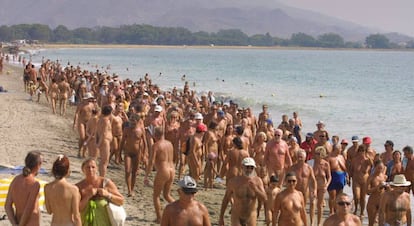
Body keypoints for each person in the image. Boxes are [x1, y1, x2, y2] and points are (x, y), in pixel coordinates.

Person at [76, 158, 124, 226]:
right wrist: (88, 196)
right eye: (87, 167)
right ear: (83, 169)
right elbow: (77, 209)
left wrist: (108, 195)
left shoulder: (105, 183)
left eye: (93, 167)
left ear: (97, 169)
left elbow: (121, 201)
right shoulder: (78, 187)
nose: (90, 169)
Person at [219, 157, 267, 226]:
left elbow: (265, 198)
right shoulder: (233, 182)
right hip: (237, 215)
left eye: (251, 168)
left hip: (251, 215)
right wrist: (221, 217)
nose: (249, 170)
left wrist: (256, 189)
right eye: (247, 167)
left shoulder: (258, 181)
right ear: (242, 167)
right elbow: (226, 199)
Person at [144, 127, 175, 223]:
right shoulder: (169, 143)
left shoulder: (156, 145)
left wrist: (146, 175)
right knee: (167, 195)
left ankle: (159, 218)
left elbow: (151, 161)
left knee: (156, 196)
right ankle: (181, 208)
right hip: (172, 169)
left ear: (154, 135)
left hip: (163, 170)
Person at [5, 151, 43, 226]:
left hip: (17, 221)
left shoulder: (15, 180)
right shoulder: (35, 184)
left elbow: (7, 206)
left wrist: (14, 223)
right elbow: (29, 209)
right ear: (38, 165)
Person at [44, 155, 81, 226]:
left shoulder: (47, 187)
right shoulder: (73, 190)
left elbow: (49, 211)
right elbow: (76, 216)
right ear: (67, 171)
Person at [121, 114, 147, 197]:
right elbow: (122, 141)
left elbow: (145, 143)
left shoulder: (140, 130)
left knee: (134, 172)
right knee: (127, 171)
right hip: (128, 152)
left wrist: (144, 154)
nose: (132, 123)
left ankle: (132, 189)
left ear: (138, 122)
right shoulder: (126, 129)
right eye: (131, 121)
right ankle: (129, 190)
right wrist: (119, 153)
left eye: (133, 122)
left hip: (137, 153)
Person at [349, 144, 373, 217]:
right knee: (356, 196)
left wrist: (368, 157)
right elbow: (351, 170)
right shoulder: (354, 159)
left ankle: (362, 212)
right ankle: (356, 208)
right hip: (356, 180)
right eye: (360, 151)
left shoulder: (367, 160)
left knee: (363, 197)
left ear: (365, 152)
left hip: (365, 181)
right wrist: (349, 178)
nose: (361, 153)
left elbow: (372, 165)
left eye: (363, 151)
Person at [312, 146, 332, 226]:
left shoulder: (326, 164)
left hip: (322, 186)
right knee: (312, 203)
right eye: (315, 153)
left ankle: (319, 223)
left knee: (320, 205)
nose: (316, 155)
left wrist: (326, 186)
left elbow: (329, 177)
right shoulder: (312, 163)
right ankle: (312, 222)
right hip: (313, 186)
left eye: (318, 154)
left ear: (322, 155)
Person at [326, 144, 347, 215]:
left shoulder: (341, 157)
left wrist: (347, 177)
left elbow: (345, 168)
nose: (341, 150)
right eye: (340, 148)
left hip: (341, 176)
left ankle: (337, 209)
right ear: (335, 149)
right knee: (332, 196)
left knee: (339, 195)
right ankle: (331, 211)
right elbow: (327, 170)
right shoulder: (329, 158)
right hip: (333, 176)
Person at [366, 160, 387, 226]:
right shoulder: (371, 177)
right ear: (375, 167)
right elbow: (367, 191)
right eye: (379, 168)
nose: (380, 170)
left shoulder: (384, 177)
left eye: (382, 168)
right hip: (373, 202)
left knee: (382, 223)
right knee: (371, 223)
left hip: (382, 201)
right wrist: (377, 187)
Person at [96, 105, 113, 177]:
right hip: (105, 141)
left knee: (103, 161)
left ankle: (101, 176)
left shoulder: (101, 119)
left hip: (104, 141)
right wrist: (99, 144)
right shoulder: (105, 120)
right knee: (104, 161)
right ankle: (102, 177)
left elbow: (98, 132)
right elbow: (104, 133)